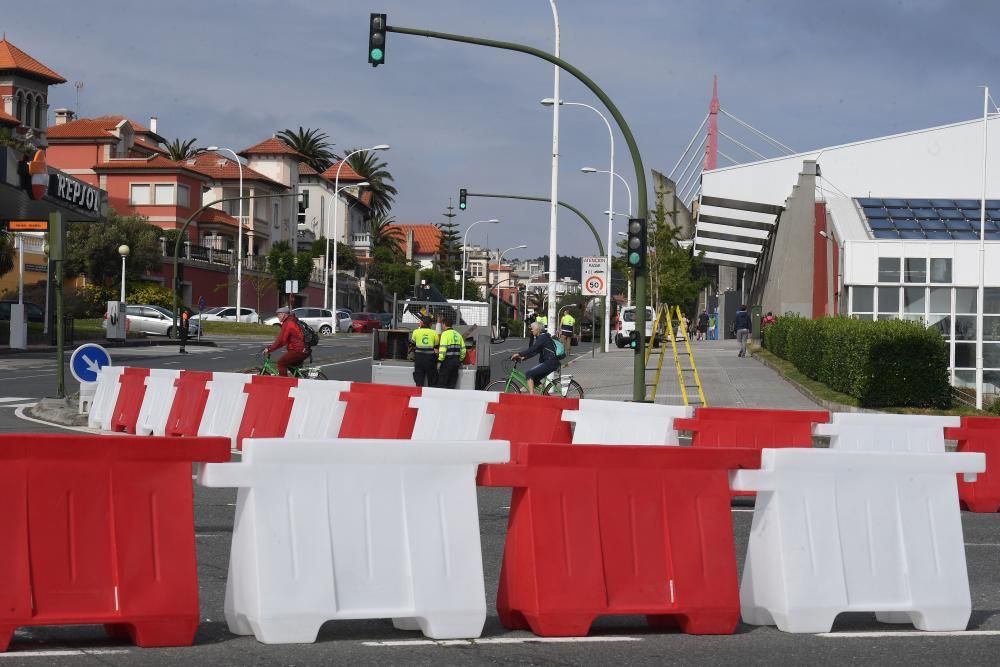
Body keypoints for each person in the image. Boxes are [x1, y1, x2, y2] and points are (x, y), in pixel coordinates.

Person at [510, 320, 560, 395]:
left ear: (537, 329)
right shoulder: (544, 337)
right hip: (551, 363)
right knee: (535, 379)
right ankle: (547, 395)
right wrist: (524, 357)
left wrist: (519, 354)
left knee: (529, 374)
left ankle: (531, 396)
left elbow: (533, 348)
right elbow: (536, 351)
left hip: (550, 363)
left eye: (532, 328)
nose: (531, 330)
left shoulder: (542, 338)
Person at [263, 306, 309, 376]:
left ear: (284, 314)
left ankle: (284, 384)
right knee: (289, 365)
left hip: (298, 350)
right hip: (303, 349)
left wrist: (269, 349)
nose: (277, 317)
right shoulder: (292, 321)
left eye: (278, 314)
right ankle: (298, 381)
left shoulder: (288, 324)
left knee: (281, 363)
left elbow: (281, 340)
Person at [437, 315, 466, 389]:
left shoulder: (445, 334)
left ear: (444, 324)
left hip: (446, 362)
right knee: (452, 385)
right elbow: (463, 350)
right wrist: (460, 360)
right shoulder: (458, 334)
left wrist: (440, 360)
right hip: (456, 362)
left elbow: (443, 349)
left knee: (442, 384)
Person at [410, 316, 439, 387]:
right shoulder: (434, 333)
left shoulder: (416, 331)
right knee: (432, 379)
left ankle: (418, 395)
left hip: (419, 358)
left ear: (422, 323)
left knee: (419, 379)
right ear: (431, 324)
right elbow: (436, 347)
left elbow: (412, 344)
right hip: (430, 359)